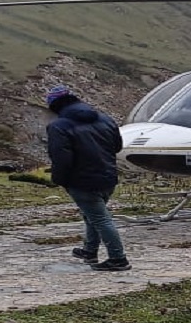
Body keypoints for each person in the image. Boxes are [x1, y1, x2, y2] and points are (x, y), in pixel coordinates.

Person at [45, 85, 131, 271]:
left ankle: (118, 259)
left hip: (81, 181)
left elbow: (61, 158)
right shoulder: (105, 119)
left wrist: (59, 179)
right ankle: (89, 251)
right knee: (92, 215)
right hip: (108, 177)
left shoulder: (59, 127)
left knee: (100, 218)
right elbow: (117, 147)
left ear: (55, 106)